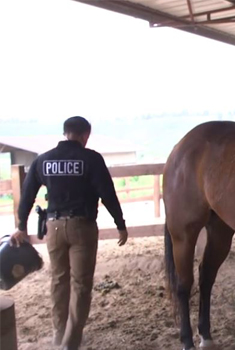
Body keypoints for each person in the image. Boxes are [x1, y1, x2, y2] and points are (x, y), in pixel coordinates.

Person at [10, 116, 129, 350]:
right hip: (82, 227)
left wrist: (21, 225)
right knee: (81, 284)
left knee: (59, 280)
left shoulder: (43, 160)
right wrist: (120, 223)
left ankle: (59, 334)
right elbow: (108, 193)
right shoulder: (91, 159)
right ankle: (70, 342)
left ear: (66, 133)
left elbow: (27, 195)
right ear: (85, 135)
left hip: (53, 227)